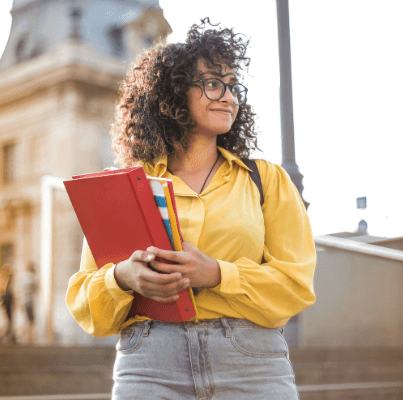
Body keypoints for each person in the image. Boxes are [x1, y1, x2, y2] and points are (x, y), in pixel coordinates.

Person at [66, 19, 316, 400]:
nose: (229, 96)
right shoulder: (128, 187)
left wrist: (216, 273)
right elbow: (87, 304)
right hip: (149, 362)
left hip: (251, 363)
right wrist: (122, 277)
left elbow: (296, 286)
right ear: (173, 92)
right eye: (213, 83)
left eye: (234, 86)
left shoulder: (266, 180)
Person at [0, 264, 16, 343]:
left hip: (7, 300)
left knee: (9, 319)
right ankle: (9, 334)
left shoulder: (3, 279)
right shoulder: (4, 279)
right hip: (7, 300)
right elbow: (2, 291)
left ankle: (10, 334)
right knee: (9, 319)